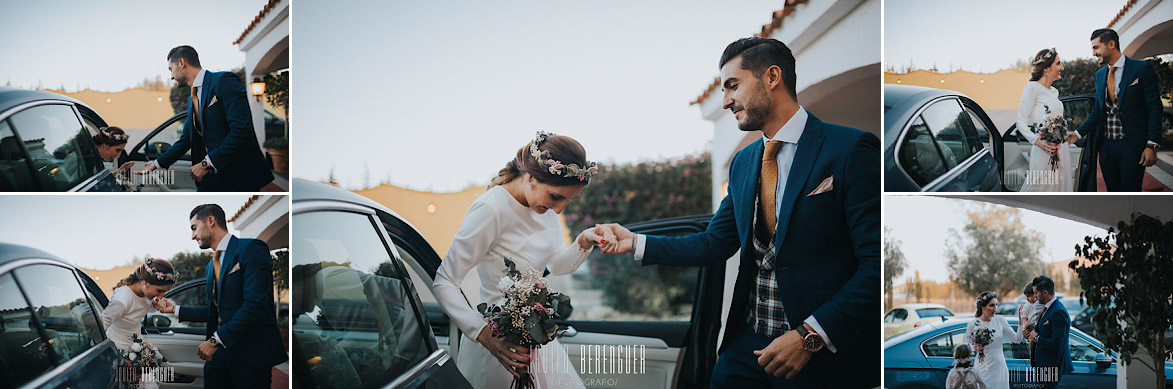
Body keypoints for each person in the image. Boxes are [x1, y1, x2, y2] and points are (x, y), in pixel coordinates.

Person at [599, 37, 881, 387]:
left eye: (733, 85)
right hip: (744, 350)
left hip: (819, 356)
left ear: (772, 77)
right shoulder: (744, 162)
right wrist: (636, 242)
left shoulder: (852, 149)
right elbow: (714, 243)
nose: (726, 100)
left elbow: (875, 265)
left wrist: (812, 335)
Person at [432, 132, 616, 388]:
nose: (560, 209)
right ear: (530, 176)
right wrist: (484, 335)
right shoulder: (491, 209)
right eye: (556, 197)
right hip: (499, 345)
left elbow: (555, 265)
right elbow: (444, 281)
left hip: (537, 337)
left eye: (568, 201)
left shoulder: (544, 207)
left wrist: (583, 242)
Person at [153, 204, 286, 387]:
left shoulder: (251, 248)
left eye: (194, 228)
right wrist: (175, 309)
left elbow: (255, 305)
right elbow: (214, 311)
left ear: (210, 221)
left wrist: (215, 340)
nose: (192, 236)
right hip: (219, 357)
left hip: (251, 355)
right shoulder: (210, 267)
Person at [139, 45, 274, 191]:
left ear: (182, 63)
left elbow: (241, 131)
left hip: (240, 174)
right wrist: (158, 163)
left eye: (171, 69)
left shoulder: (224, 81)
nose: (171, 76)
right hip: (213, 175)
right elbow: (186, 140)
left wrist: (207, 163)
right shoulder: (192, 100)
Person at [1069, 29, 1164, 192]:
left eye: (1096, 47)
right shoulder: (1099, 75)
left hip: (1132, 146)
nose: (1093, 53)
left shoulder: (1141, 69)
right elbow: (1098, 112)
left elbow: (1154, 108)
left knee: (1130, 192)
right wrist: (1077, 134)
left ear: (1111, 44)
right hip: (1106, 148)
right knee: (1112, 192)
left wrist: (1152, 145)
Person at [101, 258, 177, 388]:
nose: (161, 295)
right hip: (118, 350)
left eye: (165, 292)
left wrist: (160, 305)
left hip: (136, 346)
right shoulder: (122, 300)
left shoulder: (148, 295)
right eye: (160, 291)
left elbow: (149, 307)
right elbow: (101, 326)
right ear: (145, 282)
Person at [1015, 48, 1074, 191]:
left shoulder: (1054, 92)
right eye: (1058, 64)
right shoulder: (1032, 88)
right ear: (1047, 68)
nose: (1062, 68)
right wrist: (1036, 141)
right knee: (1040, 188)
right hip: (1044, 150)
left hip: (1061, 148)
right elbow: (1020, 121)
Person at [964, 292, 1025, 389]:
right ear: (983, 307)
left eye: (996, 305)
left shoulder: (1000, 320)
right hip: (982, 367)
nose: (995, 309)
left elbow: (1017, 339)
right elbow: (966, 348)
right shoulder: (973, 324)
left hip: (999, 368)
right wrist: (974, 347)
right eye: (991, 305)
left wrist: (1021, 321)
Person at [1028, 276, 1073, 388]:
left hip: (1051, 367)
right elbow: (1043, 332)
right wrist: (1031, 332)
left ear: (1045, 292)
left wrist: (1036, 338)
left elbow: (1057, 343)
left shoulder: (1058, 311)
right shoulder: (1048, 308)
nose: (1035, 296)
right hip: (1043, 366)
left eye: (1036, 293)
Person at [1017, 281, 1043, 348]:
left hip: (1038, 327)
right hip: (1030, 325)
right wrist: (1026, 323)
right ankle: (1032, 356)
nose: (1027, 299)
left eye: (1029, 296)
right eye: (1026, 297)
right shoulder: (1027, 304)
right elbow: (1023, 315)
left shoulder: (1041, 303)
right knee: (1031, 339)